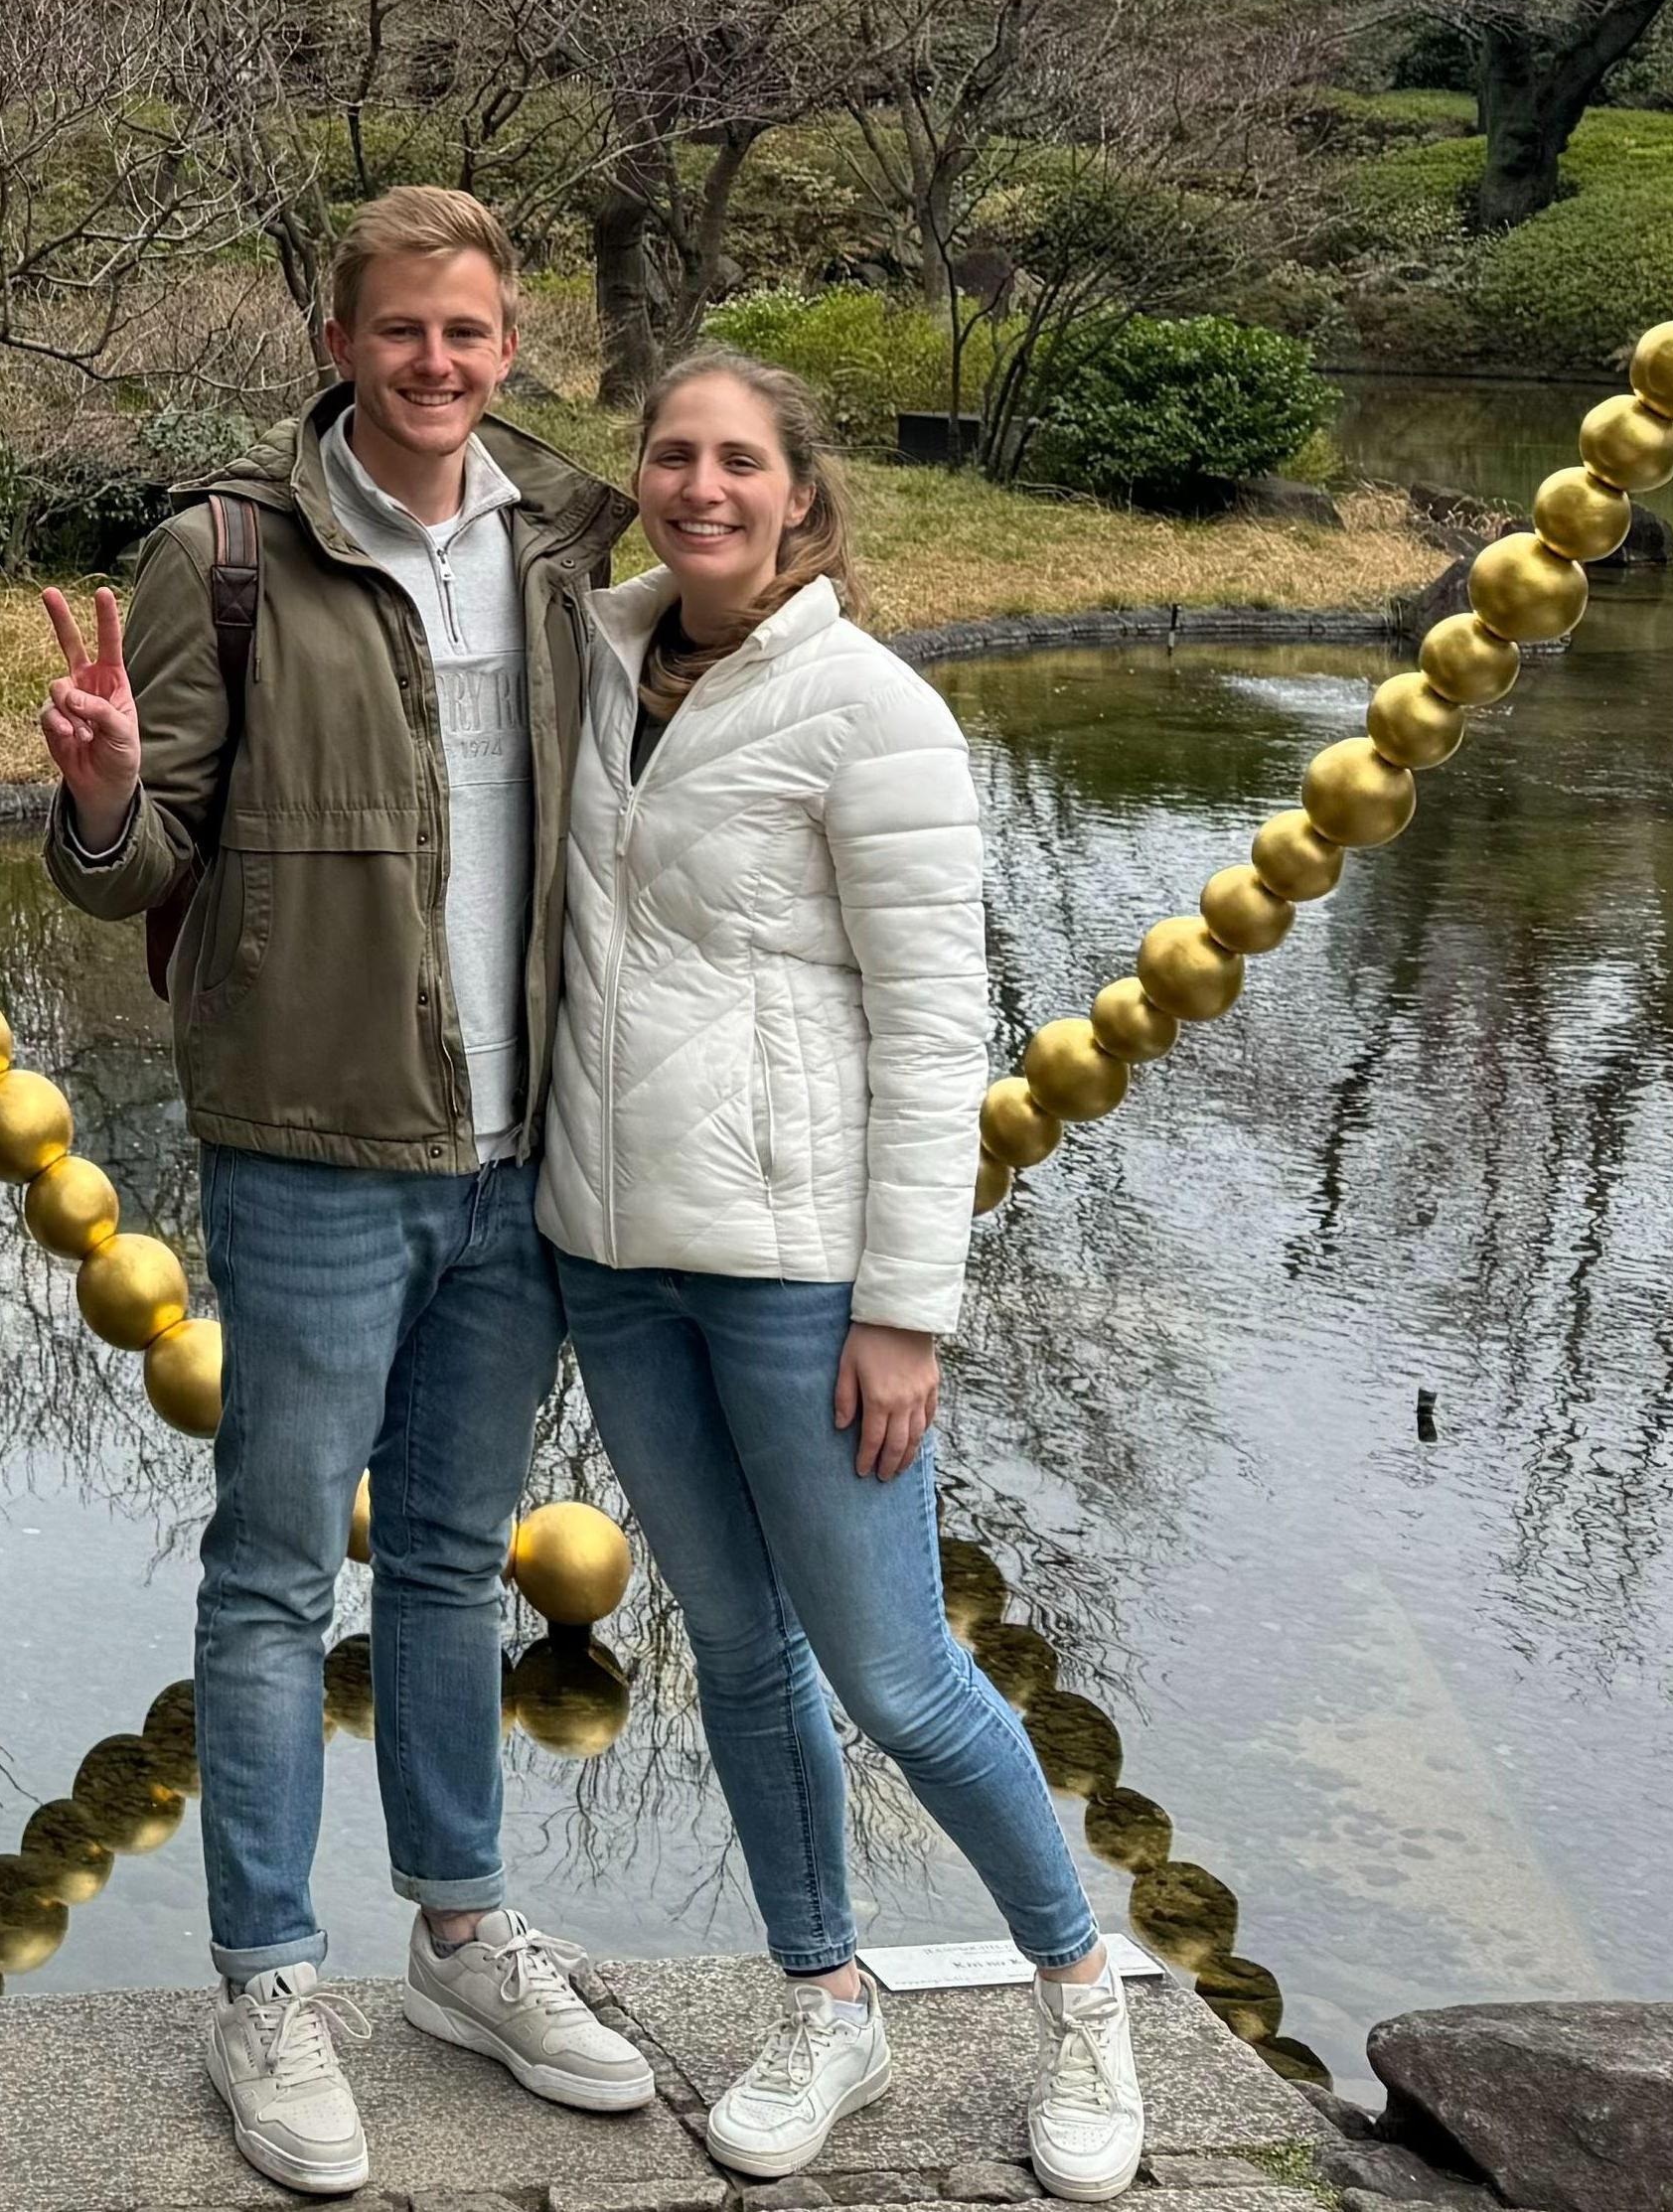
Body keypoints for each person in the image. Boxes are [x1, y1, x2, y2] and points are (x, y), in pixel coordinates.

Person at [36, 188, 650, 2198]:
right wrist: (108, 785)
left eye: (469, 334)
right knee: (278, 1566)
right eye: (401, 332)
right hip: (308, 1140)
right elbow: (129, 876)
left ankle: (463, 1936)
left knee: (458, 1562)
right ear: (335, 337)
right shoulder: (228, 553)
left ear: (507, 342)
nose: (437, 366)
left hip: (521, 1153)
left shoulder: (563, 543)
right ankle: (267, 1986)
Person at [534, 349, 1147, 2203]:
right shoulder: (596, 659)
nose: (698, 484)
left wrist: (906, 1308)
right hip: (616, 1254)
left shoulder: (866, 706)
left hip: (800, 1271)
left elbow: (933, 1017)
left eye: (739, 460)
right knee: (733, 1646)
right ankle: (828, 1997)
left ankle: (1082, 1992)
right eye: (670, 451)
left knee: (893, 1666)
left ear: (802, 496)